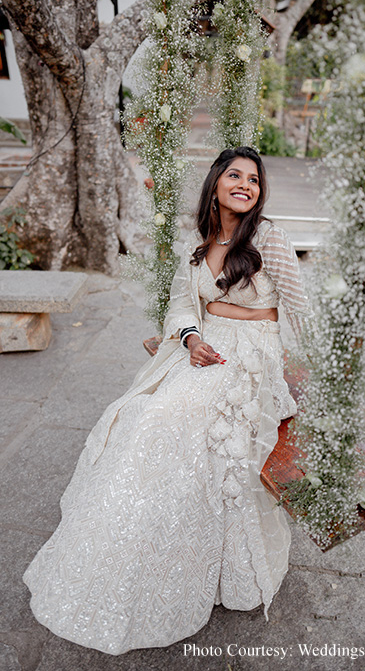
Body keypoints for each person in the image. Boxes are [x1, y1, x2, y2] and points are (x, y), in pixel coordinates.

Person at [23, 146, 311, 655]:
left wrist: (324, 379)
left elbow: (303, 309)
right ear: (216, 185)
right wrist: (189, 338)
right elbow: (183, 303)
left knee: (170, 421)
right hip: (205, 350)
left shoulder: (270, 238)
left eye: (254, 179)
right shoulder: (200, 245)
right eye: (234, 176)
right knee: (139, 416)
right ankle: (123, 552)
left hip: (249, 358)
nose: (245, 184)